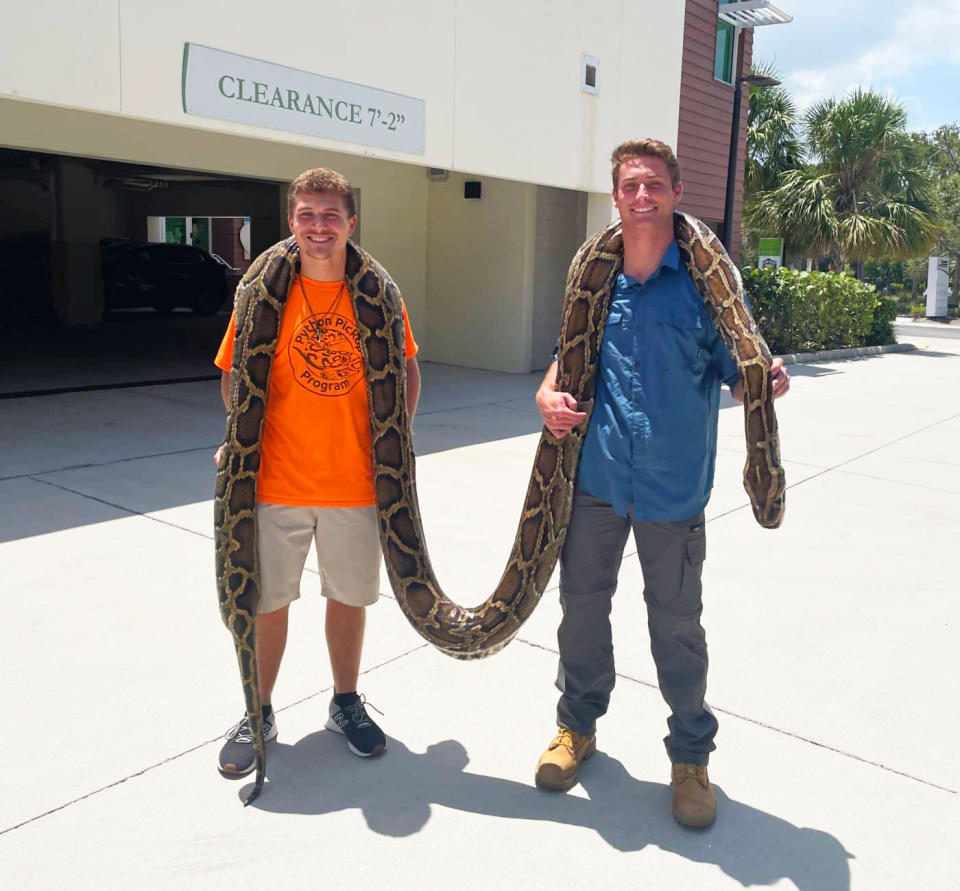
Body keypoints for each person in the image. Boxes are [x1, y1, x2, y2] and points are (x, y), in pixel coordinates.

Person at [533, 138, 789, 828]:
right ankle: (576, 727)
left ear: (675, 194)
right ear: (615, 196)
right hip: (598, 481)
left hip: (673, 489)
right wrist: (546, 396)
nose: (641, 196)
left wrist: (763, 379)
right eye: (629, 185)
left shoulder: (705, 286)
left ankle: (690, 757)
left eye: (654, 184)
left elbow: (739, 368)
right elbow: (563, 361)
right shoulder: (594, 276)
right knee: (581, 611)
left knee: (676, 627)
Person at [214, 167, 421, 777]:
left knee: (348, 598)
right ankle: (259, 711)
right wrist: (240, 438)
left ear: (350, 223)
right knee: (266, 601)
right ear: (292, 222)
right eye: (307, 215)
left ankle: (346, 702)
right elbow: (234, 376)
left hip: (356, 484)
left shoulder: (378, 294)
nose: (318, 226)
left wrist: (395, 446)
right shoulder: (262, 291)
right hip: (273, 482)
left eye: (330, 215)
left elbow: (406, 372)